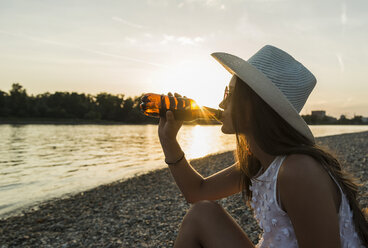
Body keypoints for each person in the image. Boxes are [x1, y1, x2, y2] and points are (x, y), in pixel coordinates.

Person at [158, 45, 368, 248]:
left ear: (253, 105)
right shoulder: (260, 162)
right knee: (202, 214)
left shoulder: (299, 171)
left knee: (201, 215)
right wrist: (169, 142)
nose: (221, 105)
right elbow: (197, 192)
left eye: (228, 95)